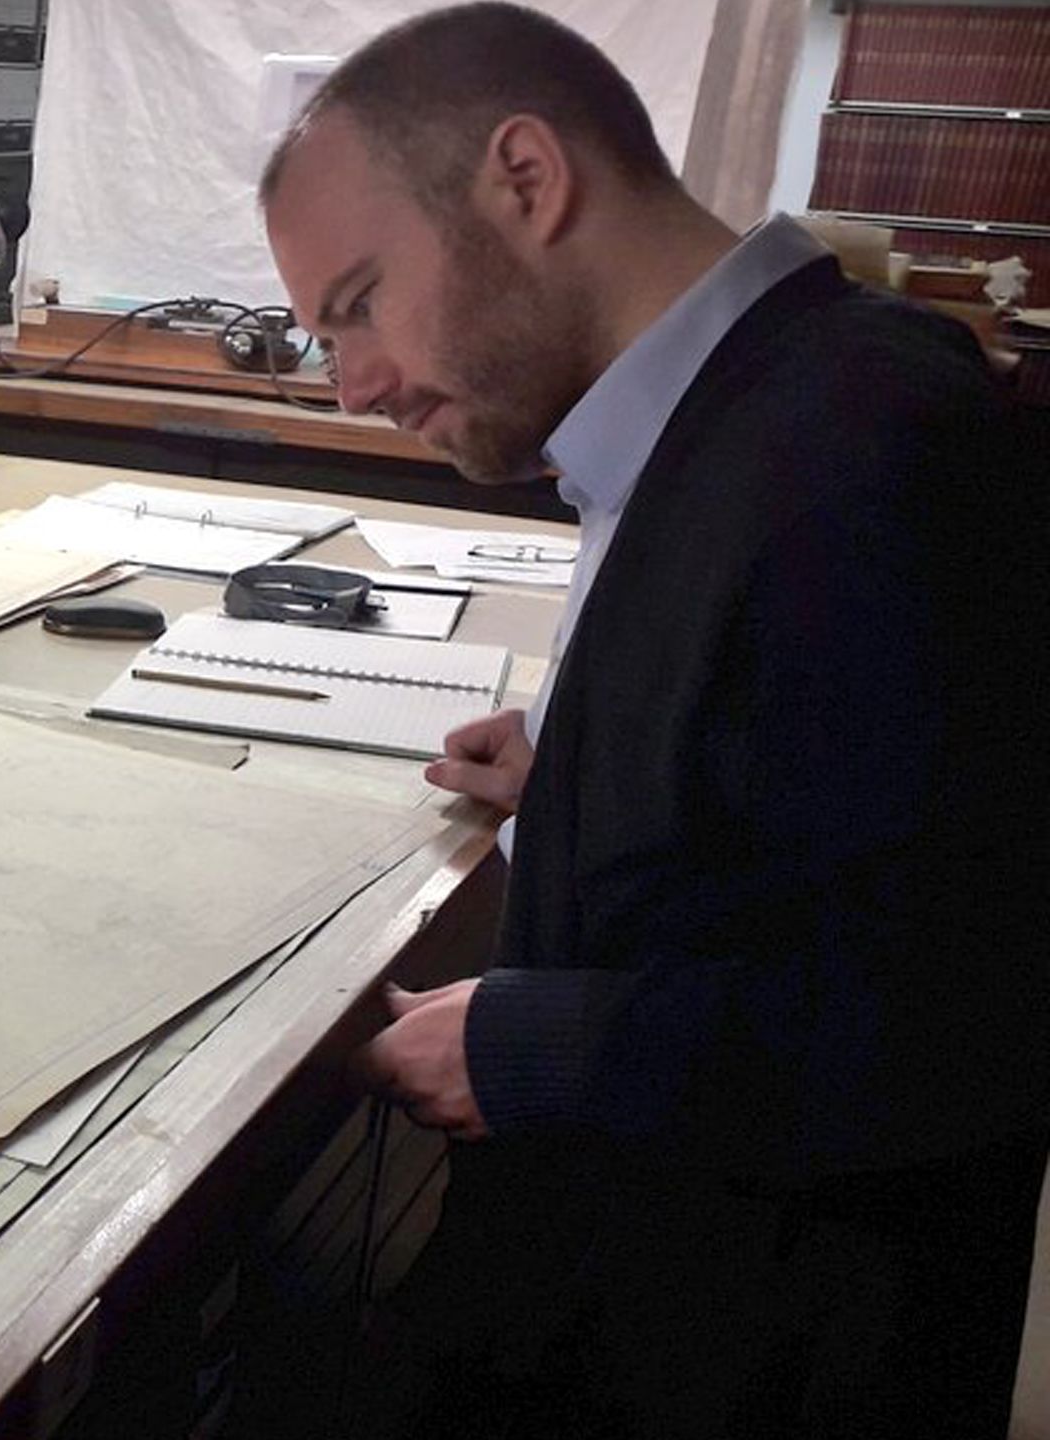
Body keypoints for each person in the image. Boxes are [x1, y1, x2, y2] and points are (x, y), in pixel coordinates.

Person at [257, 5, 1050, 1436]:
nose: (355, 382)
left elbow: (969, 1019)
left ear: (526, 179)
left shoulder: (867, 452)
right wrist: (592, 774)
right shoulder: (742, 414)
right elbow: (835, 816)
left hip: (756, 1351)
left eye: (361, 303)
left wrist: (536, 1051)